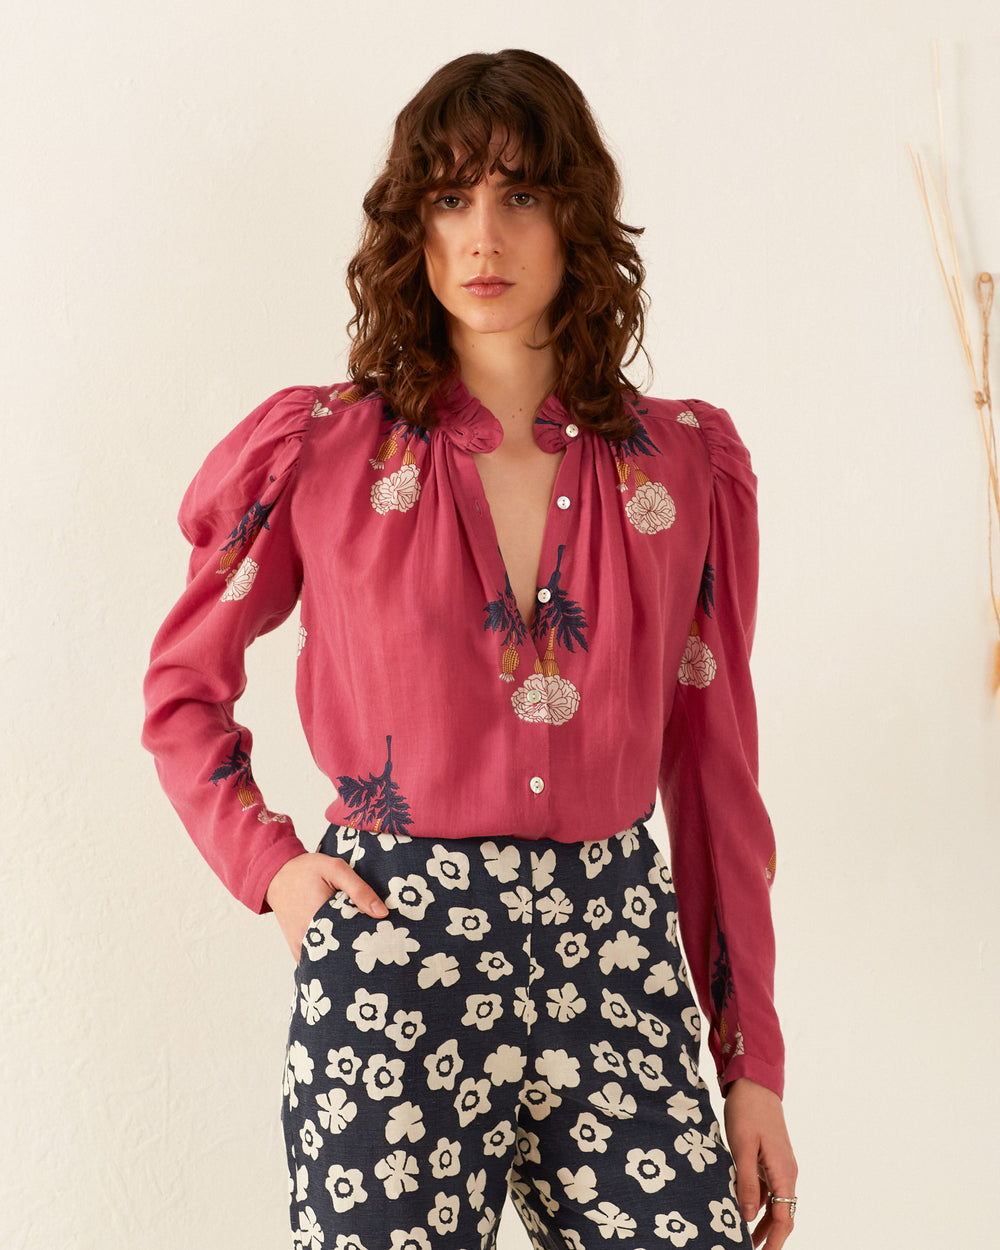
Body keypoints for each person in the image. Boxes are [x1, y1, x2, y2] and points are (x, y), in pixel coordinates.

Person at [143, 48, 797, 1250]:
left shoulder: (681, 469)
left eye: (520, 194)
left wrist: (748, 1058)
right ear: (412, 226)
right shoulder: (323, 454)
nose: (483, 236)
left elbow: (713, 777)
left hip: (615, 955)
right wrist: (275, 865)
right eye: (449, 199)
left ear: (575, 218)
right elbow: (183, 690)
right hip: (395, 948)